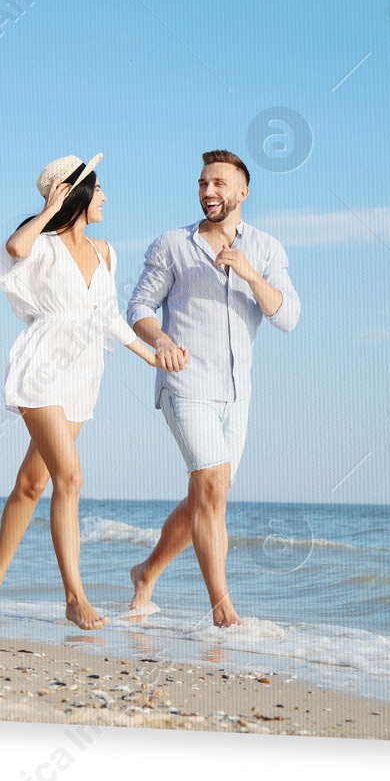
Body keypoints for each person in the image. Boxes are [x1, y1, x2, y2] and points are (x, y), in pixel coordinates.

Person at [0, 154, 167, 630]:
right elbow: (13, 251)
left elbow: (107, 318)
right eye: (97, 189)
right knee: (71, 478)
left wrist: (153, 356)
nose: (104, 197)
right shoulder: (41, 243)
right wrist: (46, 210)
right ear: (75, 191)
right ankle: (74, 597)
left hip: (84, 371)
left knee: (33, 483)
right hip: (42, 367)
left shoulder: (105, 251)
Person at [124, 149, 301, 627]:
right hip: (186, 383)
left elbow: (286, 317)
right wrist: (160, 339)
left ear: (243, 192)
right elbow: (137, 307)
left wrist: (248, 273)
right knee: (209, 486)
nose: (209, 191)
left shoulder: (266, 249)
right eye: (203, 183)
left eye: (219, 184)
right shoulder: (172, 246)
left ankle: (146, 573)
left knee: (211, 495)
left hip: (237, 392)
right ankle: (222, 609)